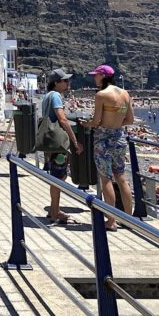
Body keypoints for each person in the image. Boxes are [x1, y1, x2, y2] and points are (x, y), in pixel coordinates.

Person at [83, 64, 134, 231]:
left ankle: (111, 221)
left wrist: (86, 124)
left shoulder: (101, 95)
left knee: (106, 178)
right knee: (121, 177)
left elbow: (97, 121)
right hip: (119, 139)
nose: (94, 78)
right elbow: (130, 120)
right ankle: (129, 219)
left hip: (103, 141)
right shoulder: (125, 93)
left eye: (96, 75)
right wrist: (116, 124)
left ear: (103, 76)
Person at [42, 68, 83, 224]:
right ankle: (55, 212)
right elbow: (63, 119)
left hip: (49, 142)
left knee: (56, 175)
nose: (68, 83)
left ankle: (54, 209)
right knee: (59, 177)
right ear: (56, 83)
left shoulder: (46, 96)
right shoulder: (56, 97)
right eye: (65, 80)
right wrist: (74, 141)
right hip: (57, 143)